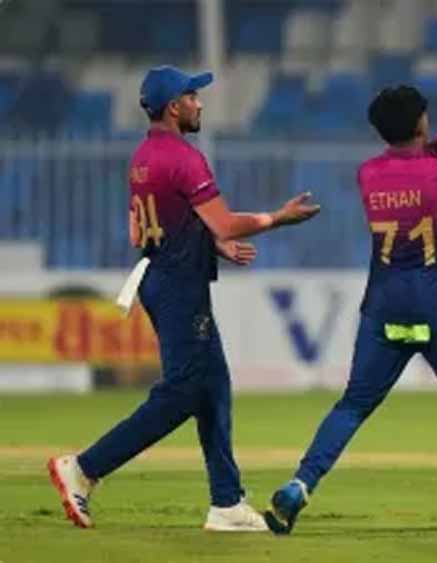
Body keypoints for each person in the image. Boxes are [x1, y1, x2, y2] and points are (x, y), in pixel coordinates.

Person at [47, 65, 320, 532]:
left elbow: (144, 230)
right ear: (174, 107)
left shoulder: (142, 157)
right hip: (178, 286)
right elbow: (226, 222)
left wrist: (209, 243)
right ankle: (84, 468)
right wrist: (278, 218)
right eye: (193, 96)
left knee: (213, 386)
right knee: (182, 393)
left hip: (161, 277)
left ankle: (227, 503)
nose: (199, 103)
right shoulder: (184, 158)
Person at [264, 73, 437, 539]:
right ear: (421, 123)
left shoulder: (368, 175)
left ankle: (298, 486)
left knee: (353, 405)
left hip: (384, 312)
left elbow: (412, 171)